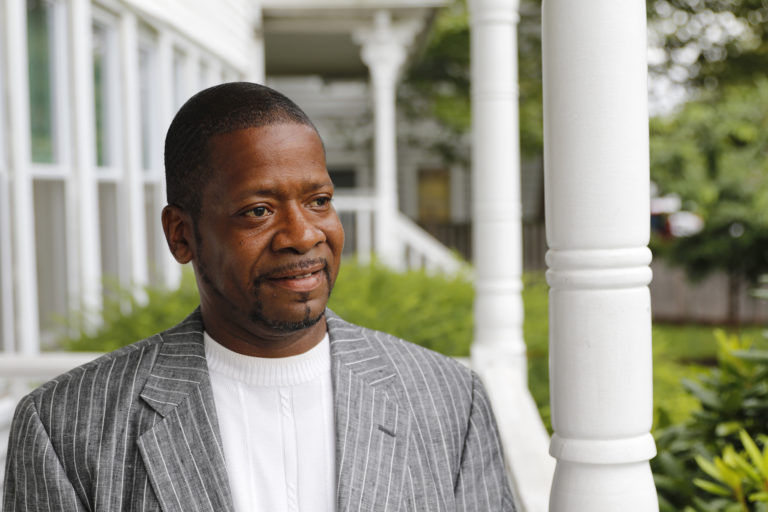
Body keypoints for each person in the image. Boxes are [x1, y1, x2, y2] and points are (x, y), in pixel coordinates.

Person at [3, 82, 516, 511]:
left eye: (319, 201)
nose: (303, 235)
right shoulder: (64, 428)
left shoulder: (450, 399)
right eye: (258, 211)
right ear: (181, 235)